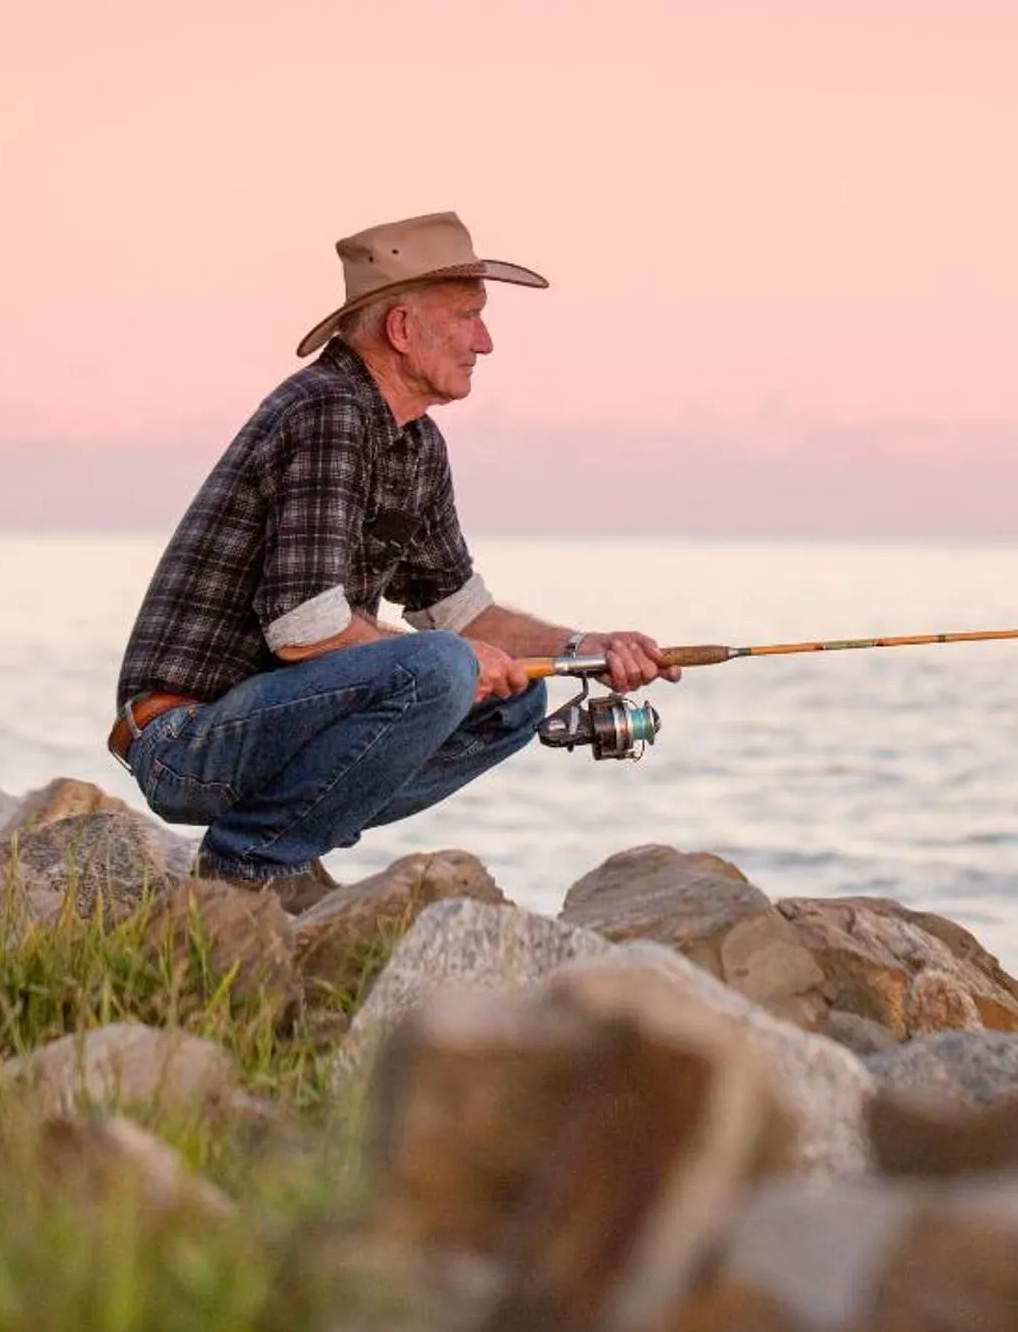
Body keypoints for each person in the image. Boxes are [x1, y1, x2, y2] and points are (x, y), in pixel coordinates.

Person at [109, 211, 674, 907]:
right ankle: (247, 863)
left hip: (269, 725)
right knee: (440, 664)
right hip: (184, 737)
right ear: (402, 329)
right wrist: (454, 658)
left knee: (520, 696)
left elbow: (464, 613)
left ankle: (290, 844)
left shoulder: (417, 444)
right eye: (468, 317)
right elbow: (304, 628)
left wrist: (585, 647)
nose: (486, 342)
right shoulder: (327, 411)